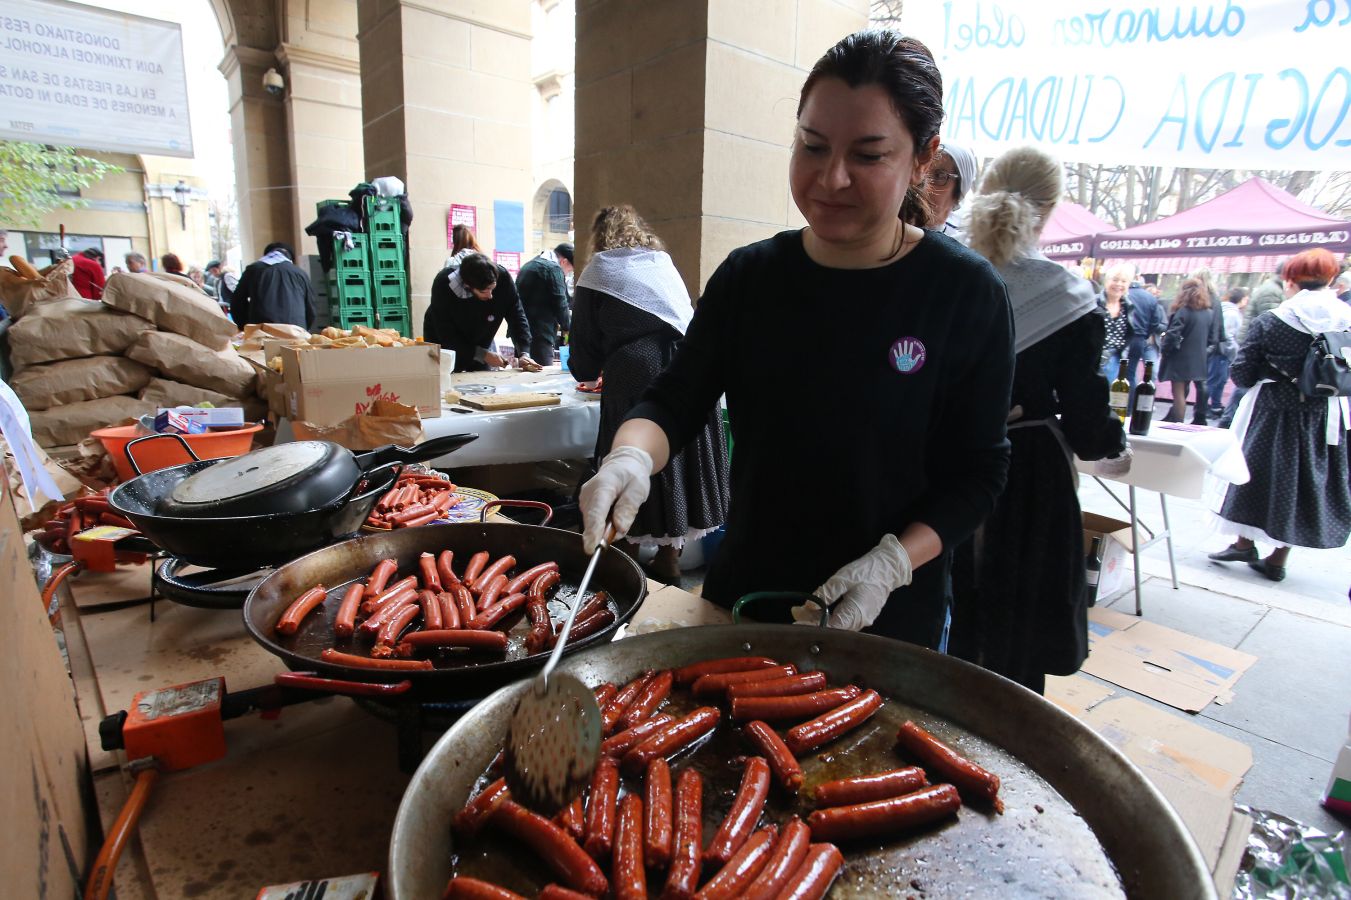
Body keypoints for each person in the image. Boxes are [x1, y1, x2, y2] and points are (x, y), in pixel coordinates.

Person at [577, 30, 1015, 648]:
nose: (831, 178)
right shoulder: (751, 278)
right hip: (747, 598)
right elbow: (676, 401)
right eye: (812, 146)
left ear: (923, 158)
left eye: (868, 155)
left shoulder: (965, 294)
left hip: (890, 616)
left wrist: (893, 562)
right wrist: (629, 458)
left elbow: (980, 472)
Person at [950, 146, 1127, 694]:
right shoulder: (1069, 296)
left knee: (949, 612)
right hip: (1028, 479)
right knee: (1016, 630)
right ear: (1049, 208)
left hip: (943, 463)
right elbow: (1087, 426)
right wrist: (1113, 438)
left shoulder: (946, 271)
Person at [570, 206, 730, 582]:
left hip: (632, 374)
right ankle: (668, 560)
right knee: (678, 458)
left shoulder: (599, 272)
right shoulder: (661, 265)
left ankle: (621, 558)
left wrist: (590, 370)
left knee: (629, 458)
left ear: (600, 236)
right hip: (686, 370)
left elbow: (584, 353)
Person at [1207, 248, 1351, 581]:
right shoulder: (1346, 320)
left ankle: (1243, 543)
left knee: (1254, 477)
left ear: (1290, 279)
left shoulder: (1273, 320)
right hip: (1326, 415)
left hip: (1275, 411)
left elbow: (1242, 374)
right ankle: (1277, 558)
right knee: (1304, 483)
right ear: (1332, 279)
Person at [424, 252, 540, 372]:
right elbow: (446, 334)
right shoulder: (443, 284)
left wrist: (524, 352)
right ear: (468, 285)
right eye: (484, 291)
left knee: (482, 381)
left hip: (481, 337)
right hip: (445, 343)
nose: (490, 295)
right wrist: (482, 354)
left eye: (492, 288)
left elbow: (517, 315)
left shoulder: (503, 278)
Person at [1158, 278, 1220, 424]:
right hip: (1199, 359)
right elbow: (1212, 338)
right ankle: (1176, 421)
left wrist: (1165, 349)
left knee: (1178, 394)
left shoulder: (1183, 311)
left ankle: (1178, 423)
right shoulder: (1209, 313)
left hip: (1180, 357)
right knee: (1183, 392)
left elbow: (1173, 334)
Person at [231, 242, 317, 329]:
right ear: (290, 258)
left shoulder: (253, 270)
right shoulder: (300, 273)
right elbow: (311, 309)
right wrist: (303, 328)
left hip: (262, 332)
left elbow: (237, 303)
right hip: (296, 333)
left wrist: (245, 327)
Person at [516, 242, 574, 365]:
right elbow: (560, 303)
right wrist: (569, 329)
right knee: (542, 376)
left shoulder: (529, 264)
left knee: (525, 375)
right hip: (540, 335)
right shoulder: (554, 269)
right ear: (564, 261)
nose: (567, 274)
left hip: (520, 333)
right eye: (569, 271)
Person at [922, 142, 977, 239]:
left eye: (939, 176)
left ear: (959, 190)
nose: (925, 185)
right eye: (923, 172)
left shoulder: (962, 243)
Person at [1207, 286, 1247, 418]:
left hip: (1220, 351)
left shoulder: (1226, 310)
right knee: (1217, 380)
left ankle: (1214, 405)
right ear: (1241, 299)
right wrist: (1235, 351)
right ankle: (1211, 407)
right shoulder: (1231, 313)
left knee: (1218, 379)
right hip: (1222, 352)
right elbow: (1227, 335)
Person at [1097, 264, 1135, 382]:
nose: (1119, 284)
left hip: (1115, 359)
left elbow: (1128, 335)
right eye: (1115, 280)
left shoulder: (1128, 306)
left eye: (1124, 281)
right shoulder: (1094, 302)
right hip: (1092, 358)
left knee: (1111, 396)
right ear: (1106, 281)